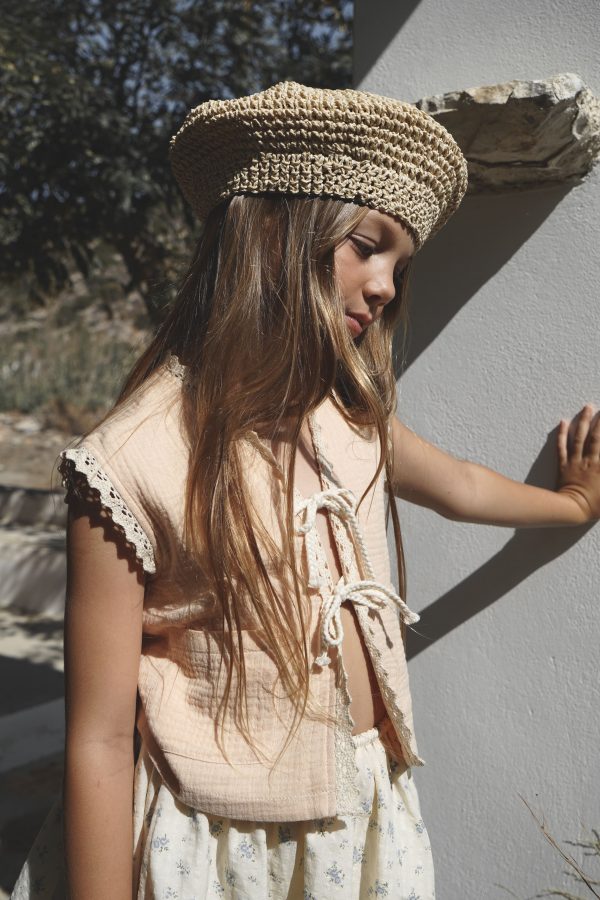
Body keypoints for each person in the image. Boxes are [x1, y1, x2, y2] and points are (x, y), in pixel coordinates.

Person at [10, 80, 600, 900]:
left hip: (363, 816)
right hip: (216, 850)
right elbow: (102, 740)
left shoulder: (345, 416)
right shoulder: (132, 460)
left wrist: (572, 504)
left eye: (400, 263)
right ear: (274, 232)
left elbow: (461, 486)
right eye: (369, 245)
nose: (387, 285)